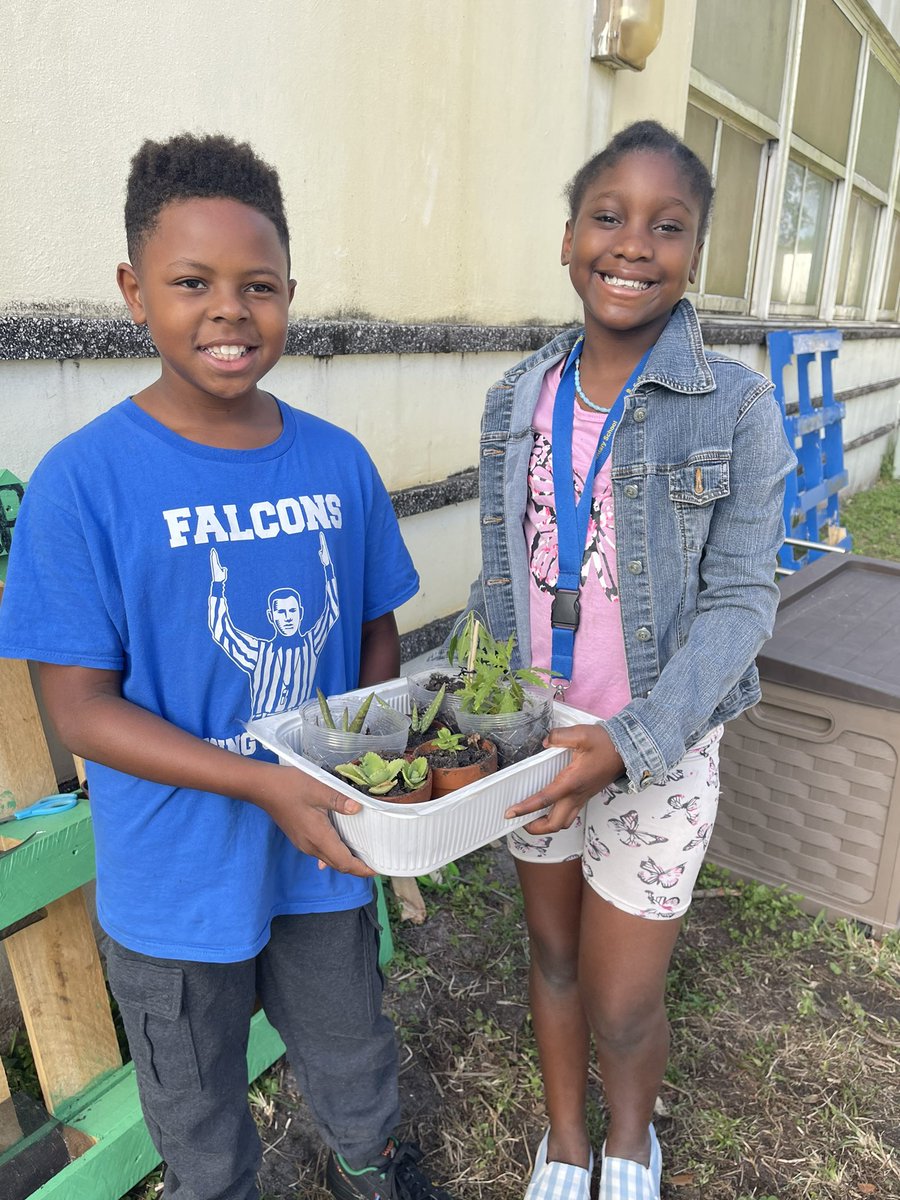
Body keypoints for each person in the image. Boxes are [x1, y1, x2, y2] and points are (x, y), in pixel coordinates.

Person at [0, 133, 453, 1200]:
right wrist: (260, 778)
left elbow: (377, 633)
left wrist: (362, 757)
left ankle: (372, 1164)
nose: (229, 311)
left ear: (290, 292)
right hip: (172, 879)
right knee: (195, 1097)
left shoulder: (336, 460)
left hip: (322, 854)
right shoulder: (85, 484)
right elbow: (80, 714)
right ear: (133, 291)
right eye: (191, 283)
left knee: (350, 1040)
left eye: (258, 286)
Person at [460, 120, 796, 1200]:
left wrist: (628, 744)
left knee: (620, 999)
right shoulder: (515, 401)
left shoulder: (738, 406)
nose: (634, 244)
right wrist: (490, 722)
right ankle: (566, 1141)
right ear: (568, 240)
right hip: (537, 748)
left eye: (669, 225)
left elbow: (744, 600)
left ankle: (626, 1140)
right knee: (549, 957)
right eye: (608, 217)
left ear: (697, 251)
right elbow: (499, 582)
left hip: (657, 748)